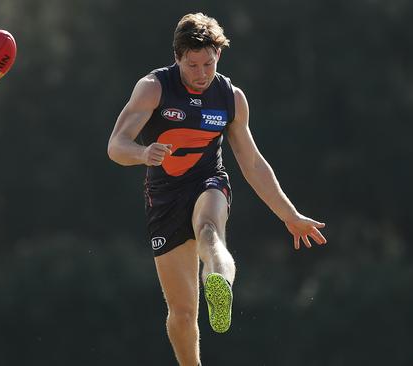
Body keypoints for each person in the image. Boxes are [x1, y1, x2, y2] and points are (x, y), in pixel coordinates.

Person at [107, 12, 327, 366]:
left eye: (208, 63)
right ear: (177, 57)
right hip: (164, 197)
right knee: (181, 312)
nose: (201, 73)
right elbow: (116, 146)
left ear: (218, 56)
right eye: (192, 65)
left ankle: (219, 283)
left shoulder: (231, 98)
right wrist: (144, 153)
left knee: (210, 231)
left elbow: (252, 162)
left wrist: (290, 215)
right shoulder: (154, 88)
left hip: (208, 180)